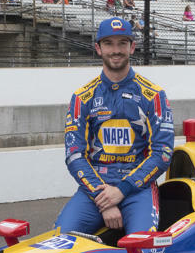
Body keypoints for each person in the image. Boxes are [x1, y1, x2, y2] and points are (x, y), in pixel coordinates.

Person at [55, 18, 174, 235]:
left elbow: (163, 154)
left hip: (138, 188)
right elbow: (73, 154)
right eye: (109, 43)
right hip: (94, 190)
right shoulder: (82, 97)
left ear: (132, 47)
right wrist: (105, 200)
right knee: (61, 239)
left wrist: (122, 189)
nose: (116, 50)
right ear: (98, 48)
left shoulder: (154, 95)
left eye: (122, 43)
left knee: (143, 245)